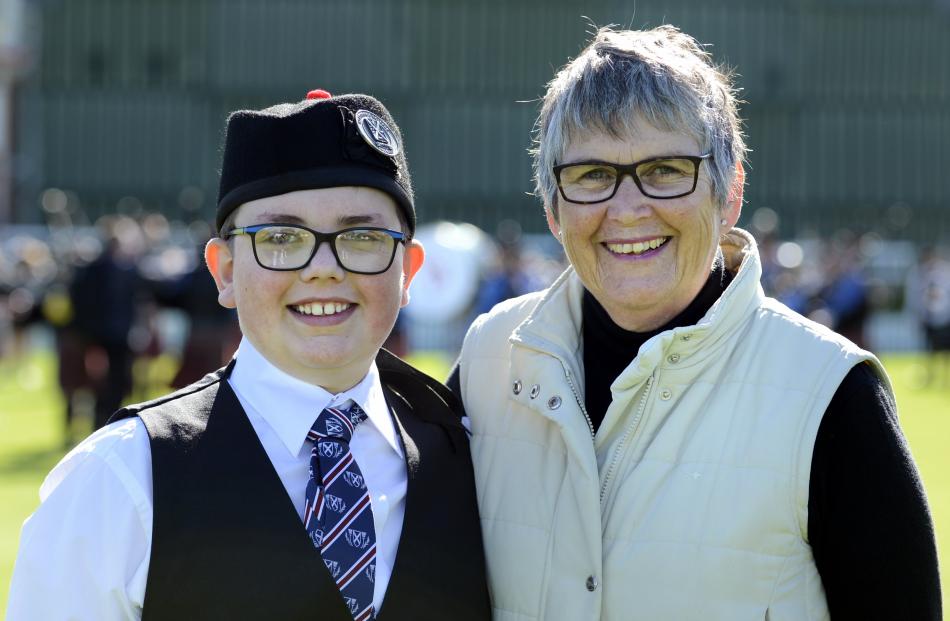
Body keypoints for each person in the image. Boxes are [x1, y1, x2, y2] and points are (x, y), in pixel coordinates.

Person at [449, 26, 941, 620]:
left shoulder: (831, 394)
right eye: (591, 176)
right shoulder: (488, 361)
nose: (627, 209)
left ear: (729, 193)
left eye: (665, 170)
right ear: (553, 208)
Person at [9, 90, 490, 620]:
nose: (323, 268)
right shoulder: (118, 479)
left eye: (362, 236)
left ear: (409, 272)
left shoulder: (475, 460)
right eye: (281, 238)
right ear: (225, 271)